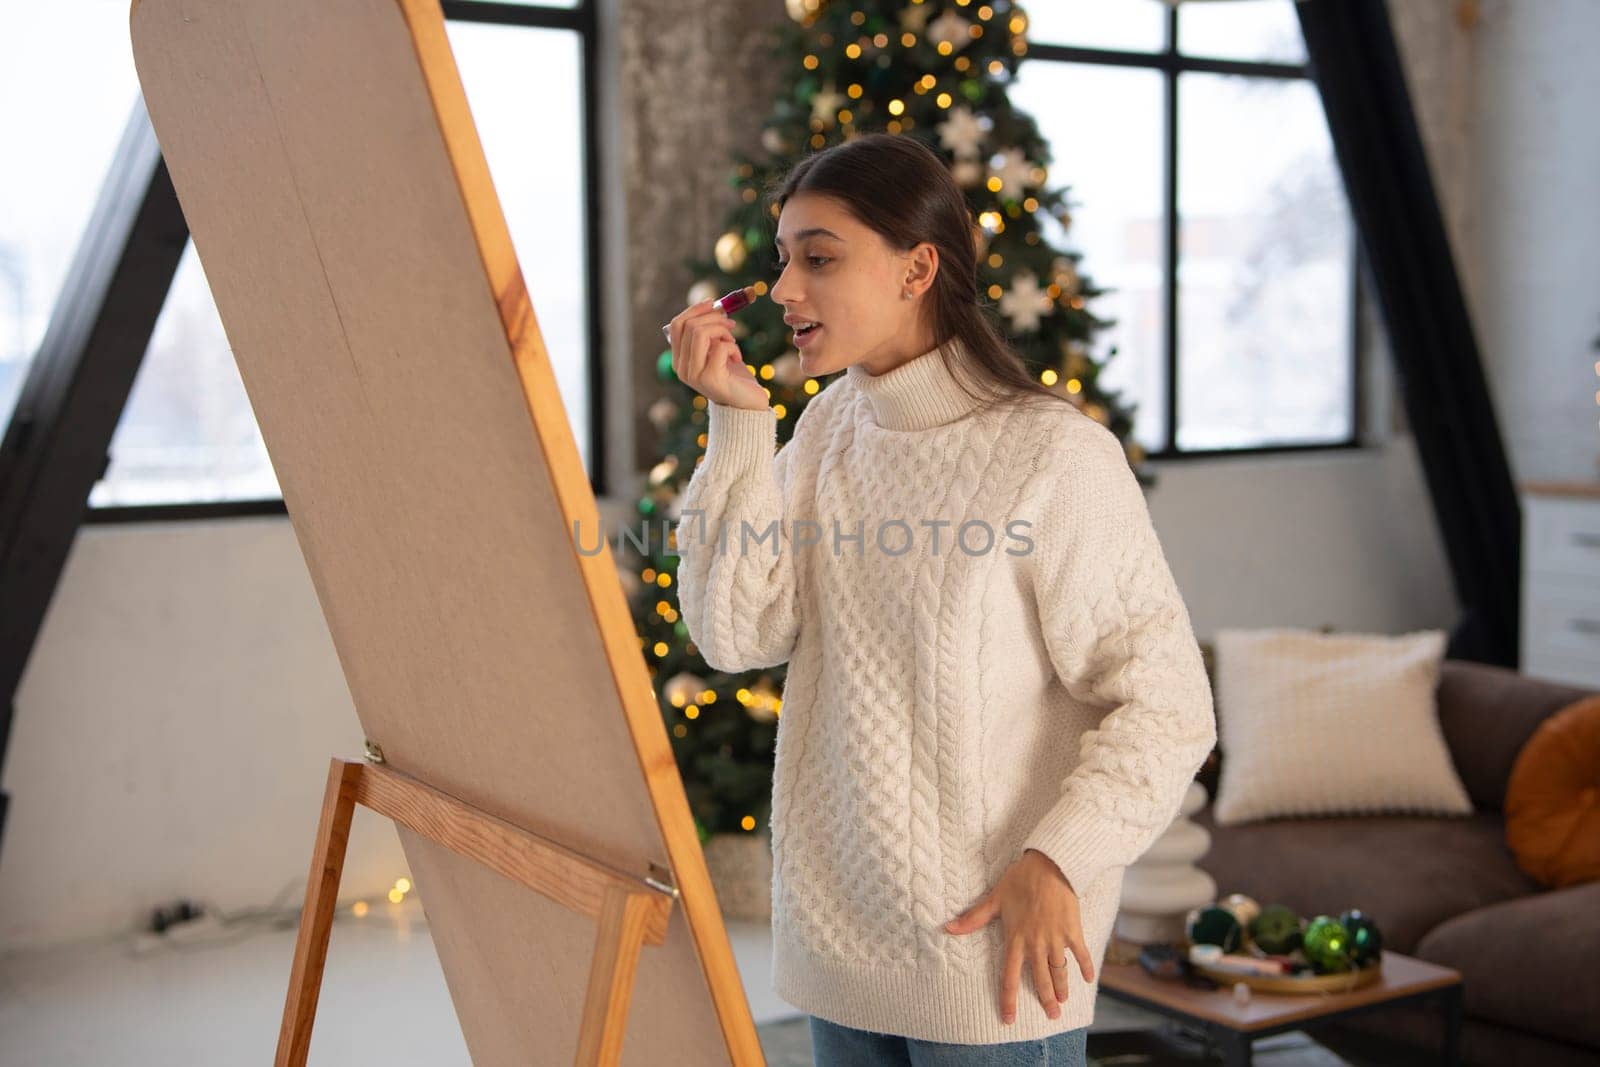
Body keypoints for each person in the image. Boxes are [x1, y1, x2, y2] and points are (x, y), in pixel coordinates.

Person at [664, 132, 1215, 1065]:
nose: (787, 290)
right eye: (782, 260)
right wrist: (738, 422)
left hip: (992, 964)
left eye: (820, 258)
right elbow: (734, 631)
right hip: (839, 958)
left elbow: (1168, 705)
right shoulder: (831, 427)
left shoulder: (1054, 458)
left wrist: (1060, 858)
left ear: (918, 267)